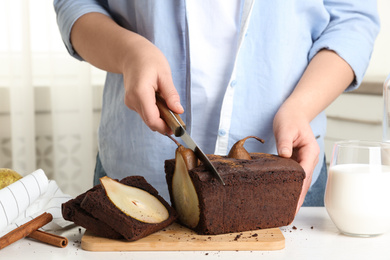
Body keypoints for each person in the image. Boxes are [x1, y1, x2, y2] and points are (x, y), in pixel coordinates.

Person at [54, 0, 379, 209]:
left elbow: (353, 18)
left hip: (288, 181)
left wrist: (301, 107)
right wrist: (127, 53)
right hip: (137, 184)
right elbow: (76, 4)